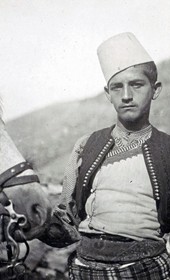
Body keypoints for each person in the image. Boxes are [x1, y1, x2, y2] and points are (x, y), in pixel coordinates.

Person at [40, 32, 170, 279]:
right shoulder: (85, 146)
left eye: (137, 84)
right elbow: (67, 219)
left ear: (155, 90)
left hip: (147, 270)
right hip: (84, 269)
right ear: (107, 94)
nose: (126, 95)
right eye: (117, 87)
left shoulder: (167, 149)